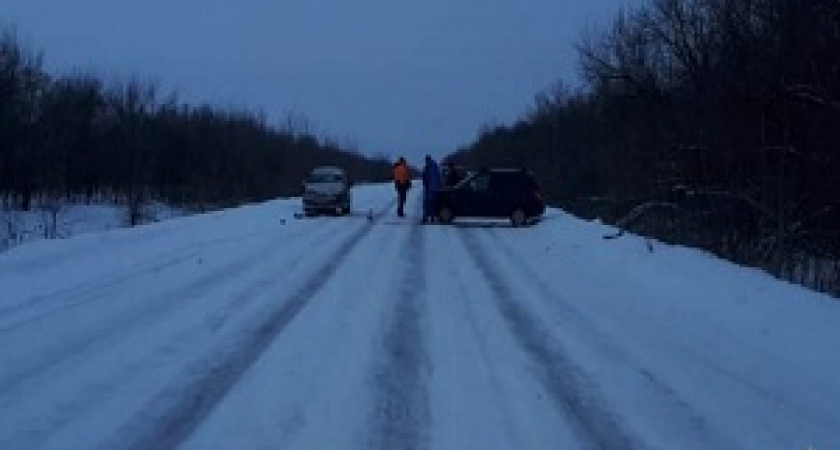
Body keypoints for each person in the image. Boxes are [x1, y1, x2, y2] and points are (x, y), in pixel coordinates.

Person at [422, 155, 441, 223]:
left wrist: (425, 184)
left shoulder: (427, 167)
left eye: (426, 160)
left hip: (429, 187)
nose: (425, 161)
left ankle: (425, 217)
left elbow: (425, 177)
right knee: (433, 202)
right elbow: (439, 177)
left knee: (427, 202)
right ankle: (432, 217)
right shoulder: (436, 167)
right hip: (435, 188)